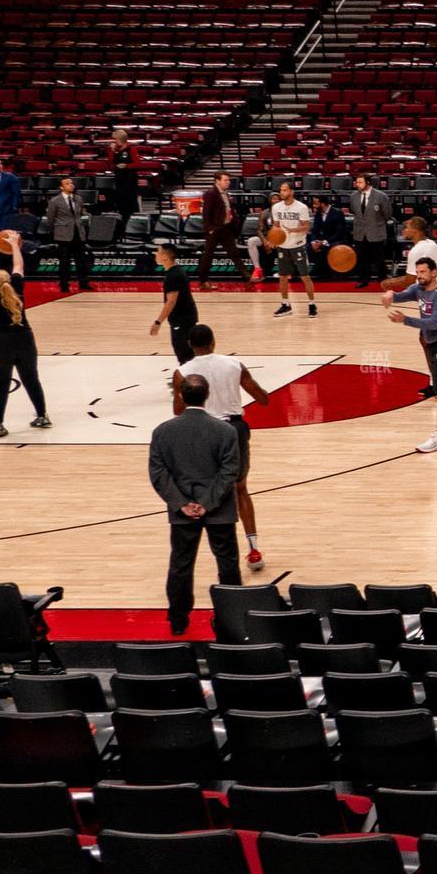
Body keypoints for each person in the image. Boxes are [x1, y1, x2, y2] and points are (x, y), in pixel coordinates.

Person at [148, 375, 243, 636]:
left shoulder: (163, 431)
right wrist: (207, 502)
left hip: (182, 511)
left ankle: (178, 621)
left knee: (180, 565)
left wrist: (182, 504)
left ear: (180, 395)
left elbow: (158, 473)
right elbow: (230, 472)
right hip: (219, 508)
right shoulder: (226, 430)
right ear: (208, 394)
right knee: (227, 564)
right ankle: (233, 619)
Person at [175, 323, 271, 572]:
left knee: (205, 489)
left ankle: (206, 553)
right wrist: (260, 394)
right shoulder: (234, 364)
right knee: (240, 489)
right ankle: (253, 549)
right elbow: (261, 398)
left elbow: (177, 411)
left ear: (189, 346)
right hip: (233, 431)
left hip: (203, 431)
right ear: (214, 341)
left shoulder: (183, 371)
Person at [390, 257, 437, 453]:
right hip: (433, 345)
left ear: (433, 273)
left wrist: (405, 320)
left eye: (423, 272)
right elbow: (402, 295)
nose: (419, 276)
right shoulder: (418, 289)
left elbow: (433, 323)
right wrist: (390, 296)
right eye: (418, 272)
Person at [0, 269, 49, 437]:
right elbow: (18, 266)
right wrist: (15, 245)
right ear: (9, 280)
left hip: (0, 343)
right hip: (25, 340)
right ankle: (43, 416)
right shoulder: (18, 293)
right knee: (31, 380)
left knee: (0, 384)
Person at [258, 183, 315, 317]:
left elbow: (306, 227)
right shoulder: (276, 207)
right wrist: (272, 240)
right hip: (283, 246)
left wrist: (293, 230)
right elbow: (276, 227)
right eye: (280, 190)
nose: (281, 193)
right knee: (282, 277)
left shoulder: (302, 207)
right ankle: (285, 305)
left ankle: (312, 304)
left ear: (291, 191)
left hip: (298, 245)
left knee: (305, 276)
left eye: (284, 190)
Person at [149, 242, 200, 363]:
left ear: (165, 256)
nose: (155, 254)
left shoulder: (173, 275)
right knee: (187, 351)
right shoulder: (177, 271)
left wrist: (158, 322)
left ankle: (188, 380)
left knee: (183, 352)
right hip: (186, 317)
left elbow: (171, 302)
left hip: (182, 319)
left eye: (158, 252)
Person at [43, 177, 92, 293]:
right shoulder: (55, 201)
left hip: (78, 233)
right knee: (64, 261)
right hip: (63, 235)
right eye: (67, 183)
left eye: (71, 183)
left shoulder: (78, 199)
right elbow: (50, 219)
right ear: (61, 187)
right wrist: (60, 228)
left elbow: (80, 214)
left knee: (81, 260)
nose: (71, 185)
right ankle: (64, 284)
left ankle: (83, 283)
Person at [194, 172, 241, 288]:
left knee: (234, 253)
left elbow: (229, 209)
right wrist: (209, 228)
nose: (228, 182)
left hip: (226, 228)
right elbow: (206, 212)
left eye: (228, 180)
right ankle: (203, 281)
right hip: (215, 229)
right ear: (217, 181)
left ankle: (247, 277)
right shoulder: (211, 193)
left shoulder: (225, 193)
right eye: (225, 180)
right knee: (208, 255)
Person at [347, 172, 393, 288]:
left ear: (367, 182)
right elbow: (354, 212)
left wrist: (376, 223)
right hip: (360, 232)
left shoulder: (381, 196)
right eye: (356, 182)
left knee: (379, 258)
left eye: (360, 182)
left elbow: (387, 214)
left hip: (376, 232)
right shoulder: (353, 196)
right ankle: (363, 280)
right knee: (362, 258)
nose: (357, 184)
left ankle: (383, 280)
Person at [104, 128, 142, 218]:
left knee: (131, 199)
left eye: (115, 140)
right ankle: (123, 217)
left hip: (130, 179)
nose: (114, 142)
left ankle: (133, 217)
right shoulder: (115, 150)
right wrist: (111, 151)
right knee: (121, 199)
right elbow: (110, 164)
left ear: (120, 139)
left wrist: (126, 166)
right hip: (119, 178)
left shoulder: (131, 149)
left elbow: (137, 164)